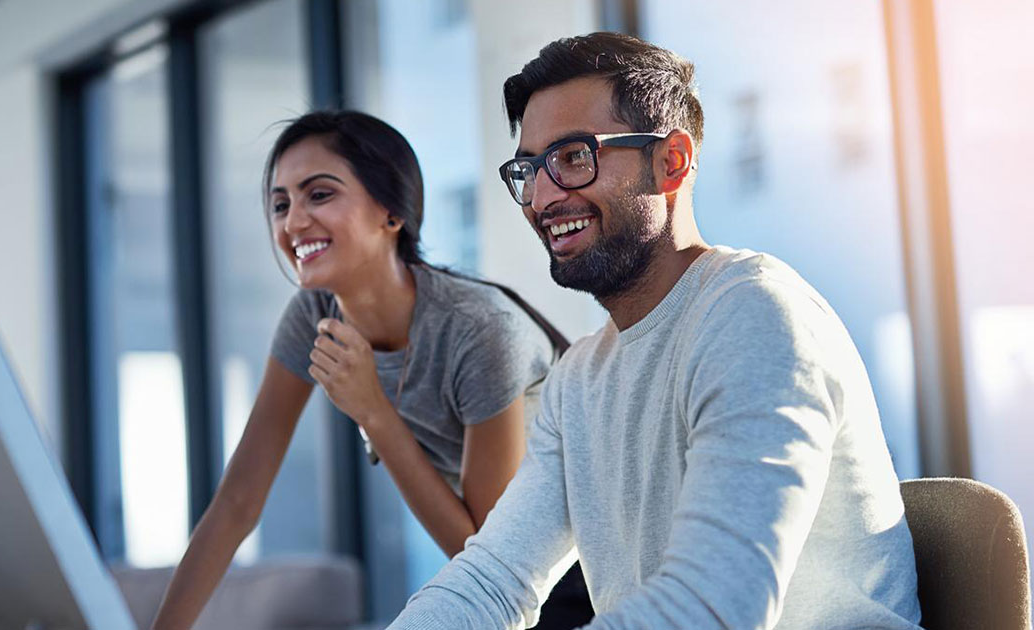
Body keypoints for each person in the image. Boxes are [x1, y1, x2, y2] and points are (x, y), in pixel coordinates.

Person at [386, 32, 922, 630]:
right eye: (529, 170)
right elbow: (493, 579)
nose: (541, 198)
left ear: (671, 162)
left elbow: (714, 607)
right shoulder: (578, 379)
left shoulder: (754, 314)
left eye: (573, 158)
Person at [150, 111, 592, 630]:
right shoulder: (314, 313)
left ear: (391, 213)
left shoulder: (478, 330)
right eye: (280, 204)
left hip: (581, 570)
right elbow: (238, 501)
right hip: (501, 576)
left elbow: (485, 556)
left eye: (319, 195)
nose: (292, 223)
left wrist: (374, 413)